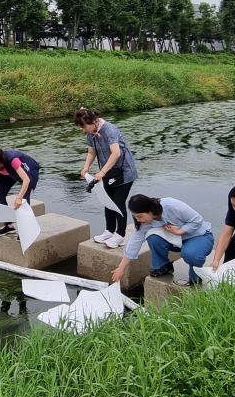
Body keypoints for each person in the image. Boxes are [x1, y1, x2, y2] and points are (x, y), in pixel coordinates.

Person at [111, 194, 215, 285]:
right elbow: (134, 242)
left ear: (150, 210)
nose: (138, 220)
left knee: (191, 254)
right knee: (153, 237)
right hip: (176, 240)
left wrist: (178, 232)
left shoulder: (172, 206)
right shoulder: (144, 223)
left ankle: (195, 278)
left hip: (198, 236)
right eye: (136, 217)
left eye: (140, 216)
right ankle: (162, 266)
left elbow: (197, 221)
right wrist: (121, 268)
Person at [76, 108, 139, 249]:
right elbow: (91, 152)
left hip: (124, 171)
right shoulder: (91, 133)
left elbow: (116, 153)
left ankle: (120, 236)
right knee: (107, 201)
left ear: (93, 121)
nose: (83, 130)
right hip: (108, 172)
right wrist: (86, 167)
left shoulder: (109, 130)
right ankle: (109, 231)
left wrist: (102, 172)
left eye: (84, 127)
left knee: (118, 202)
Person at [0, 145, 40, 236]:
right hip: (9, 174)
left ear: (0, 160)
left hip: (27, 171)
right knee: (0, 194)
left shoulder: (13, 160)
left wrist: (19, 198)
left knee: (24, 199)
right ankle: (9, 225)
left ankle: (26, 229)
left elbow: (26, 180)